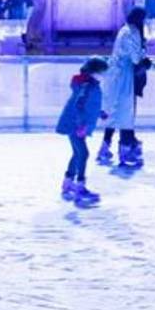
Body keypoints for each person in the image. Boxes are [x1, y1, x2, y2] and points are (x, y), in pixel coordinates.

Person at [97, 7, 150, 168]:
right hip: (124, 77)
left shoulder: (125, 30)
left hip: (117, 75)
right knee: (125, 112)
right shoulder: (131, 32)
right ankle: (126, 149)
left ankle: (106, 148)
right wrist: (145, 61)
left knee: (116, 111)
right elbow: (135, 58)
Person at [56, 57, 109, 207]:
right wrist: (80, 125)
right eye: (102, 72)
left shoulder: (90, 84)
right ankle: (79, 187)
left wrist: (100, 112)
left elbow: (89, 105)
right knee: (83, 154)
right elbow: (79, 105)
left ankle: (68, 183)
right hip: (75, 124)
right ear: (94, 71)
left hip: (75, 123)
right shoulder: (87, 86)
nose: (103, 75)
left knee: (77, 153)